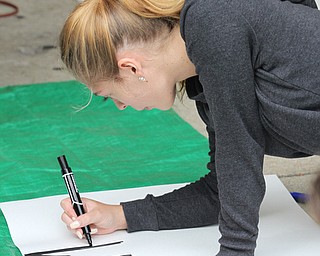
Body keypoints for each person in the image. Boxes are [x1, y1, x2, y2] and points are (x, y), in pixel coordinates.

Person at [59, 0, 320, 255]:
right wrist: (120, 216)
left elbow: (239, 156)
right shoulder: (206, 75)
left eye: (108, 94)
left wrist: (235, 250)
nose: (120, 105)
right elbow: (221, 191)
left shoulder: (212, 20)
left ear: (130, 67)